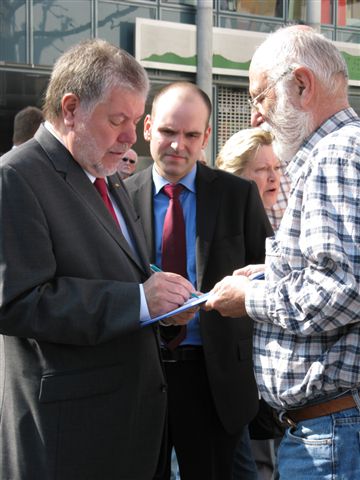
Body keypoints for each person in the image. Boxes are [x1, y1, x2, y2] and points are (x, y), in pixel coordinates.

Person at [0, 39, 197, 480]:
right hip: (70, 438)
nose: (131, 138)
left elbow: (121, 269)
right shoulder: (15, 177)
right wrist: (139, 302)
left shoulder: (102, 173)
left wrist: (163, 304)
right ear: (70, 108)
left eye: (136, 120)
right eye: (117, 120)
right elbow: (18, 302)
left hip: (124, 429)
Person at [205, 25, 360, 479]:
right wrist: (273, 274)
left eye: (259, 97)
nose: (255, 116)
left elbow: (342, 289)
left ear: (301, 85)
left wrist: (250, 300)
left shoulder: (334, 156)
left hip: (333, 431)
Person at [125, 81, 272, 480]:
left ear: (207, 136)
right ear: (148, 127)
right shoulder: (119, 196)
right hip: (142, 375)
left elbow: (269, 272)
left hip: (215, 379)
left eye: (191, 135)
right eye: (169, 132)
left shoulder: (237, 195)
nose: (178, 145)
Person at [216, 127, 285, 480]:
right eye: (261, 170)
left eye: (276, 168)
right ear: (236, 174)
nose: (273, 177)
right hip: (238, 384)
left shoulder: (287, 223)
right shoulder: (222, 227)